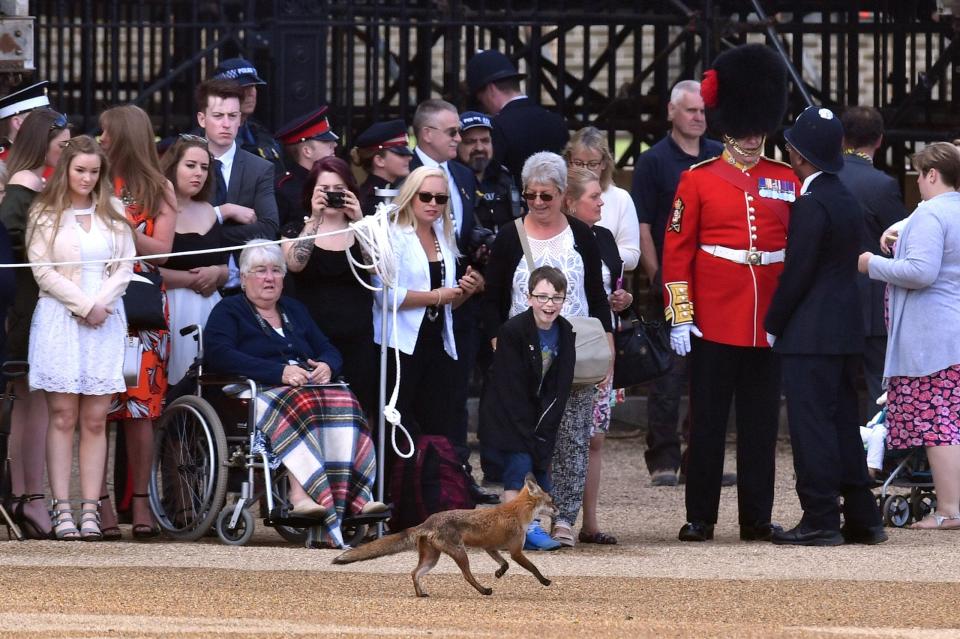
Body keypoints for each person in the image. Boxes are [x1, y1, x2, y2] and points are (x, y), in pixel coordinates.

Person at [661, 44, 797, 543]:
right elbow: (677, 252)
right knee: (708, 425)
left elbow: (795, 252)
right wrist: (681, 313)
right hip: (715, 319)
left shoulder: (785, 179)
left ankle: (756, 518)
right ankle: (701, 516)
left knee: (762, 428)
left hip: (768, 322)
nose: (753, 136)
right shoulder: (696, 180)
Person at [204, 241, 386, 547]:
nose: (269, 278)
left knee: (348, 402)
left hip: (305, 388)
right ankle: (299, 495)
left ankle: (356, 497)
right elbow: (219, 355)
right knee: (301, 404)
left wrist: (328, 365)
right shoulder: (229, 310)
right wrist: (279, 373)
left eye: (276, 270)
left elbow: (327, 346)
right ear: (245, 277)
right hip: (255, 390)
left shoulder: (294, 309)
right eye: (260, 271)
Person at [765, 106, 885, 546]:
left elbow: (798, 272)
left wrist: (774, 322)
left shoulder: (812, 203)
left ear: (798, 156)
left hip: (810, 332)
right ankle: (861, 515)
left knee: (811, 425)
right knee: (841, 424)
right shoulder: (846, 196)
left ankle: (819, 515)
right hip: (843, 327)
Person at [483, 152, 613, 547]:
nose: (538, 203)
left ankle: (565, 520)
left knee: (573, 437)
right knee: (525, 436)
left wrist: (608, 346)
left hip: (573, 350)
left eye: (547, 196)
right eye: (531, 196)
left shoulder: (582, 235)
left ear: (562, 195)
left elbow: (596, 294)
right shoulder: (509, 235)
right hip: (521, 353)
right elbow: (492, 297)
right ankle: (526, 520)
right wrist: (497, 345)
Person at [26, 134, 135, 540]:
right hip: (60, 316)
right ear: (66, 170)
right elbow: (43, 270)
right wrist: (83, 305)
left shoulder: (114, 211)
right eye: (80, 171)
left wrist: (100, 304)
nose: (87, 179)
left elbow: (125, 266)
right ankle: (62, 509)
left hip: (105, 318)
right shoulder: (44, 212)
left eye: (94, 171)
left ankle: (91, 509)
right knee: (62, 415)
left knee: (94, 419)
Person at [859, 141, 960, 531]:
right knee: (951, 420)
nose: (917, 182)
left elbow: (920, 272)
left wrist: (873, 264)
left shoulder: (932, 214)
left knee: (939, 425)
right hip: (951, 333)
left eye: (919, 174)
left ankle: (950, 510)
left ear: (932, 174)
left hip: (933, 336)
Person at [630, 80, 724, 486]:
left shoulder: (719, 156)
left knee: (711, 373)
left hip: (715, 281)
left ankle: (701, 459)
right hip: (673, 282)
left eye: (703, 112)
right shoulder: (654, 162)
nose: (698, 118)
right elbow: (644, 224)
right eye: (690, 111)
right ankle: (664, 459)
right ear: (671, 112)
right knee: (668, 373)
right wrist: (657, 275)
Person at [408, 100, 493, 502]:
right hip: (416, 305)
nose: (460, 139)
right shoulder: (404, 170)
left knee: (456, 393)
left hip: (461, 301)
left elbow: (468, 233)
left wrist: (476, 275)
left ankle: (457, 474)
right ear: (427, 134)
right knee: (417, 395)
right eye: (452, 132)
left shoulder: (459, 174)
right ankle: (415, 479)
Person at [100, 104, 177, 541]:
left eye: (107, 132)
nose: (102, 139)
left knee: (139, 408)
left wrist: (119, 224)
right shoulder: (94, 177)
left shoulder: (159, 187)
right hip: (99, 303)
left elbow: (162, 252)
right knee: (99, 404)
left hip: (142, 308)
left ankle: (143, 501)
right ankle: (102, 501)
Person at [371, 166, 482, 465]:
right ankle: (396, 495)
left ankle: (432, 492)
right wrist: (436, 296)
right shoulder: (392, 234)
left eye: (441, 198)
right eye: (426, 196)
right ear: (410, 196)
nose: (433, 203)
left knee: (438, 421)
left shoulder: (443, 236)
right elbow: (385, 297)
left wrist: (466, 291)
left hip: (437, 340)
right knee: (398, 420)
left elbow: (448, 304)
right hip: (400, 344)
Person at [0, 108, 70, 538]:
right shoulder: (23, 190)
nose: (66, 150)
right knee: (28, 401)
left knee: (33, 402)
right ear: (42, 143)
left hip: (38, 302)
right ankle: (28, 495)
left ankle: (28, 494)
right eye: (62, 144)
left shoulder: (36, 186)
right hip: (25, 304)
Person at [479, 266, 575, 551]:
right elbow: (510, 386)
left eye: (556, 298)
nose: (549, 304)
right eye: (542, 297)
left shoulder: (566, 331)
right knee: (519, 464)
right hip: (507, 411)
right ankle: (517, 529)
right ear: (528, 297)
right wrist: (527, 430)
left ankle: (529, 524)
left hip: (540, 412)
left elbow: (561, 383)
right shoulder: (513, 331)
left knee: (541, 467)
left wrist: (545, 425)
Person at [564, 166, 633, 546]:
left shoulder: (604, 236)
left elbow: (612, 287)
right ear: (570, 202)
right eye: (594, 197)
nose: (602, 201)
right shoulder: (557, 236)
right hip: (568, 341)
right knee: (558, 435)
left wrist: (625, 300)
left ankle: (589, 522)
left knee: (595, 438)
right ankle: (555, 518)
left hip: (601, 344)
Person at [280, 156, 377, 416]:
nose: (332, 196)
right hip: (312, 338)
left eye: (339, 190)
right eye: (324, 190)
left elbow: (375, 267)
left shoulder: (364, 229)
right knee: (315, 411)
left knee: (359, 408)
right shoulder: (296, 228)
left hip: (357, 338)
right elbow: (294, 264)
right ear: (311, 192)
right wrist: (314, 218)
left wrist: (359, 220)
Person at [837, 106, 908, 418]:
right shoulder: (883, 185)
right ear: (880, 141)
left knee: (834, 385)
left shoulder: (821, 178)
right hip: (874, 301)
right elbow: (903, 242)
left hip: (832, 297)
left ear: (842, 139)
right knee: (879, 391)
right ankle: (873, 463)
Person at [157, 134, 228, 386]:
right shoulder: (155, 209)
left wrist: (215, 273)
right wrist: (191, 279)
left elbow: (225, 267)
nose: (198, 173)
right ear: (173, 166)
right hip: (168, 309)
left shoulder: (209, 210)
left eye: (204, 167)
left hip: (209, 309)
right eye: (190, 165)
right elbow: (146, 268)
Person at [196, 78, 280, 292]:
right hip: (195, 281)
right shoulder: (184, 166)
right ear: (202, 119)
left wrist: (204, 230)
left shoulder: (260, 168)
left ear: (241, 119)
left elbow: (269, 229)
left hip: (245, 288)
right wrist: (224, 212)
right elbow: (176, 228)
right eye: (218, 116)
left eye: (232, 116)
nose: (226, 124)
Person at [465, 50, 569, 189]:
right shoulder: (556, 122)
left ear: (490, 89)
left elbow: (490, 177)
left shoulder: (497, 127)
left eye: (479, 98)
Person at [563, 126, 639, 272]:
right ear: (568, 160)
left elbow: (632, 257)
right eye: (578, 163)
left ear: (604, 163)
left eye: (592, 164)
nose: (585, 170)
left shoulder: (620, 198)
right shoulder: (557, 194)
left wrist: (591, 249)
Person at [211, 57, 284, 178]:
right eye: (243, 87)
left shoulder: (262, 134)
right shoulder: (207, 139)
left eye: (253, 86)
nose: (250, 93)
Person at [457, 111, 521, 237]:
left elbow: (520, 226)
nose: (479, 148)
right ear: (457, 145)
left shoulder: (505, 177)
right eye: (470, 142)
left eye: (485, 141)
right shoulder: (449, 181)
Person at [274, 106, 339, 228]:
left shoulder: (337, 180)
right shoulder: (284, 189)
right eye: (326, 142)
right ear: (307, 151)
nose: (334, 144)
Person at [352, 119, 413, 216]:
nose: (409, 158)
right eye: (401, 153)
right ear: (379, 160)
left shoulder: (393, 190)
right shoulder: (369, 199)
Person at [0, 81, 52, 170]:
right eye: (40, 118)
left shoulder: (49, 156)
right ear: (17, 123)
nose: (48, 123)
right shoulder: (3, 162)